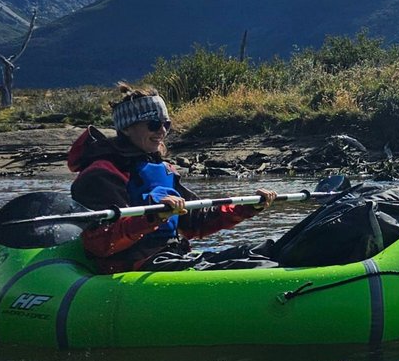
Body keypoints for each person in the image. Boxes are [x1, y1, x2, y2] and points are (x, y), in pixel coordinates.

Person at [67, 84, 280, 273]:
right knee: (256, 266)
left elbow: (195, 222)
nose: (161, 131)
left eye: (165, 124)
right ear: (126, 128)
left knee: (269, 251)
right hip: (136, 268)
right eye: (152, 124)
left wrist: (247, 208)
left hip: (172, 257)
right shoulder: (100, 174)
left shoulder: (163, 169)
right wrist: (152, 218)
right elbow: (100, 242)